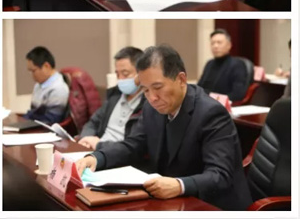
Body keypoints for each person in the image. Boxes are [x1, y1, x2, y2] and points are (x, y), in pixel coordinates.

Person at [75, 45, 253, 211]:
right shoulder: (151, 108)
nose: (152, 98)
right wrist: (98, 158)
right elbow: (133, 145)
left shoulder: (211, 113)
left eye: (158, 87)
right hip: (171, 201)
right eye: (145, 90)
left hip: (212, 204)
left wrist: (179, 185)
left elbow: (220, 175)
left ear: (181, 79)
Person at [78, 47, 144, 150]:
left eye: (125, 74)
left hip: (118, 154)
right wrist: (86, 139)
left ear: (141, 73)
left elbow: (134, 146)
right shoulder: (114, 94)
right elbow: (93, 122)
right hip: (96, 149)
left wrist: (99, 144)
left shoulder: (149, 103)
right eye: (117, 74)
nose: (120, 79)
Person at [197, 29, 250, 101]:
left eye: (219, 43)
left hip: (223, 104)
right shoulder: (209, 64)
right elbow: (199, 88)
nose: (215, 46)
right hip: (204, 102)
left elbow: (238, 94)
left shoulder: (237, 65)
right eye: (212, 43)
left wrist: (214, 99)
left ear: (229, 45)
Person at [23, 47, 69, 124]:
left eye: (33, 71)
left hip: (45, 128)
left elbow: (51, 120)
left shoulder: (59, 88)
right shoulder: (38, 85)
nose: (31, 75)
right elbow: (33, 111)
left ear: (46, 66)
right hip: (35, 124)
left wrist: (28, 119)